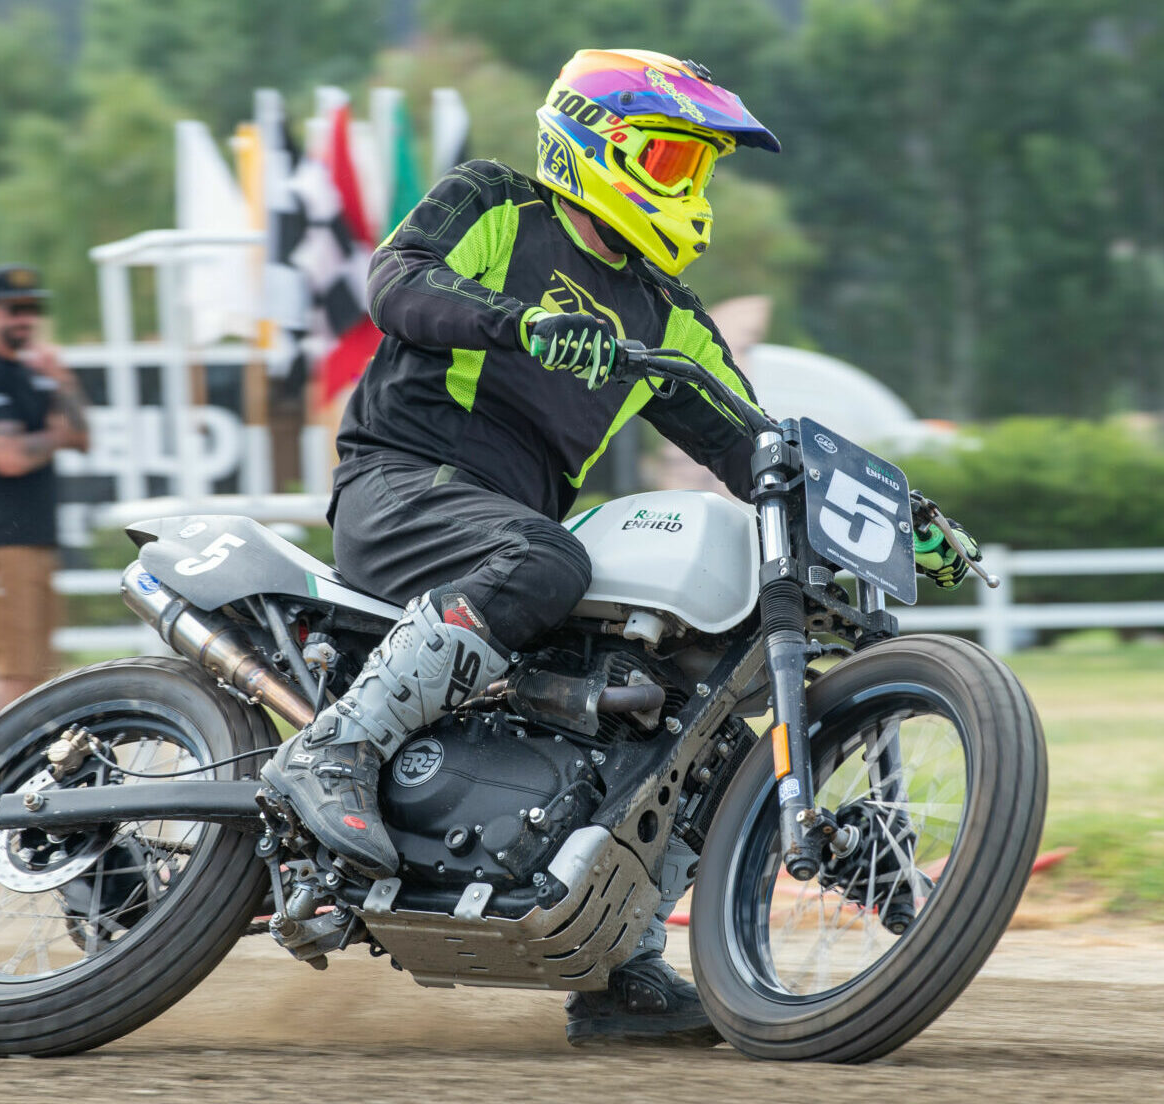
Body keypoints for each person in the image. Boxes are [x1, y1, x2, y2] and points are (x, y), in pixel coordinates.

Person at [262, 50, 977, 1046]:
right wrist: (522, 324)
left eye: (701, 171)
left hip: (507, 532)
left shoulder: (668, 319)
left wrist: (905, 517)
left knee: (694, 692)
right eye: (676, 162)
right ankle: (337, 748)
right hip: (400, 481)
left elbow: (753, 444)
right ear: (601, 145)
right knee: (548, 560)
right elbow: (396, 286)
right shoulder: (496, 204)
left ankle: (617, 957)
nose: (693, 190)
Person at [0, 265, 90, 717]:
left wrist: (64, 383)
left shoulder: (33, 375)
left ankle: (14, 776)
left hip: (31, 541)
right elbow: (7, 458)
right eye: (14, 309)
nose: (24, 318)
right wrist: (55, 434)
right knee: (15, 678)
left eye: (32, 308)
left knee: (39, 675)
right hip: (0, 544)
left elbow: (83, 437)